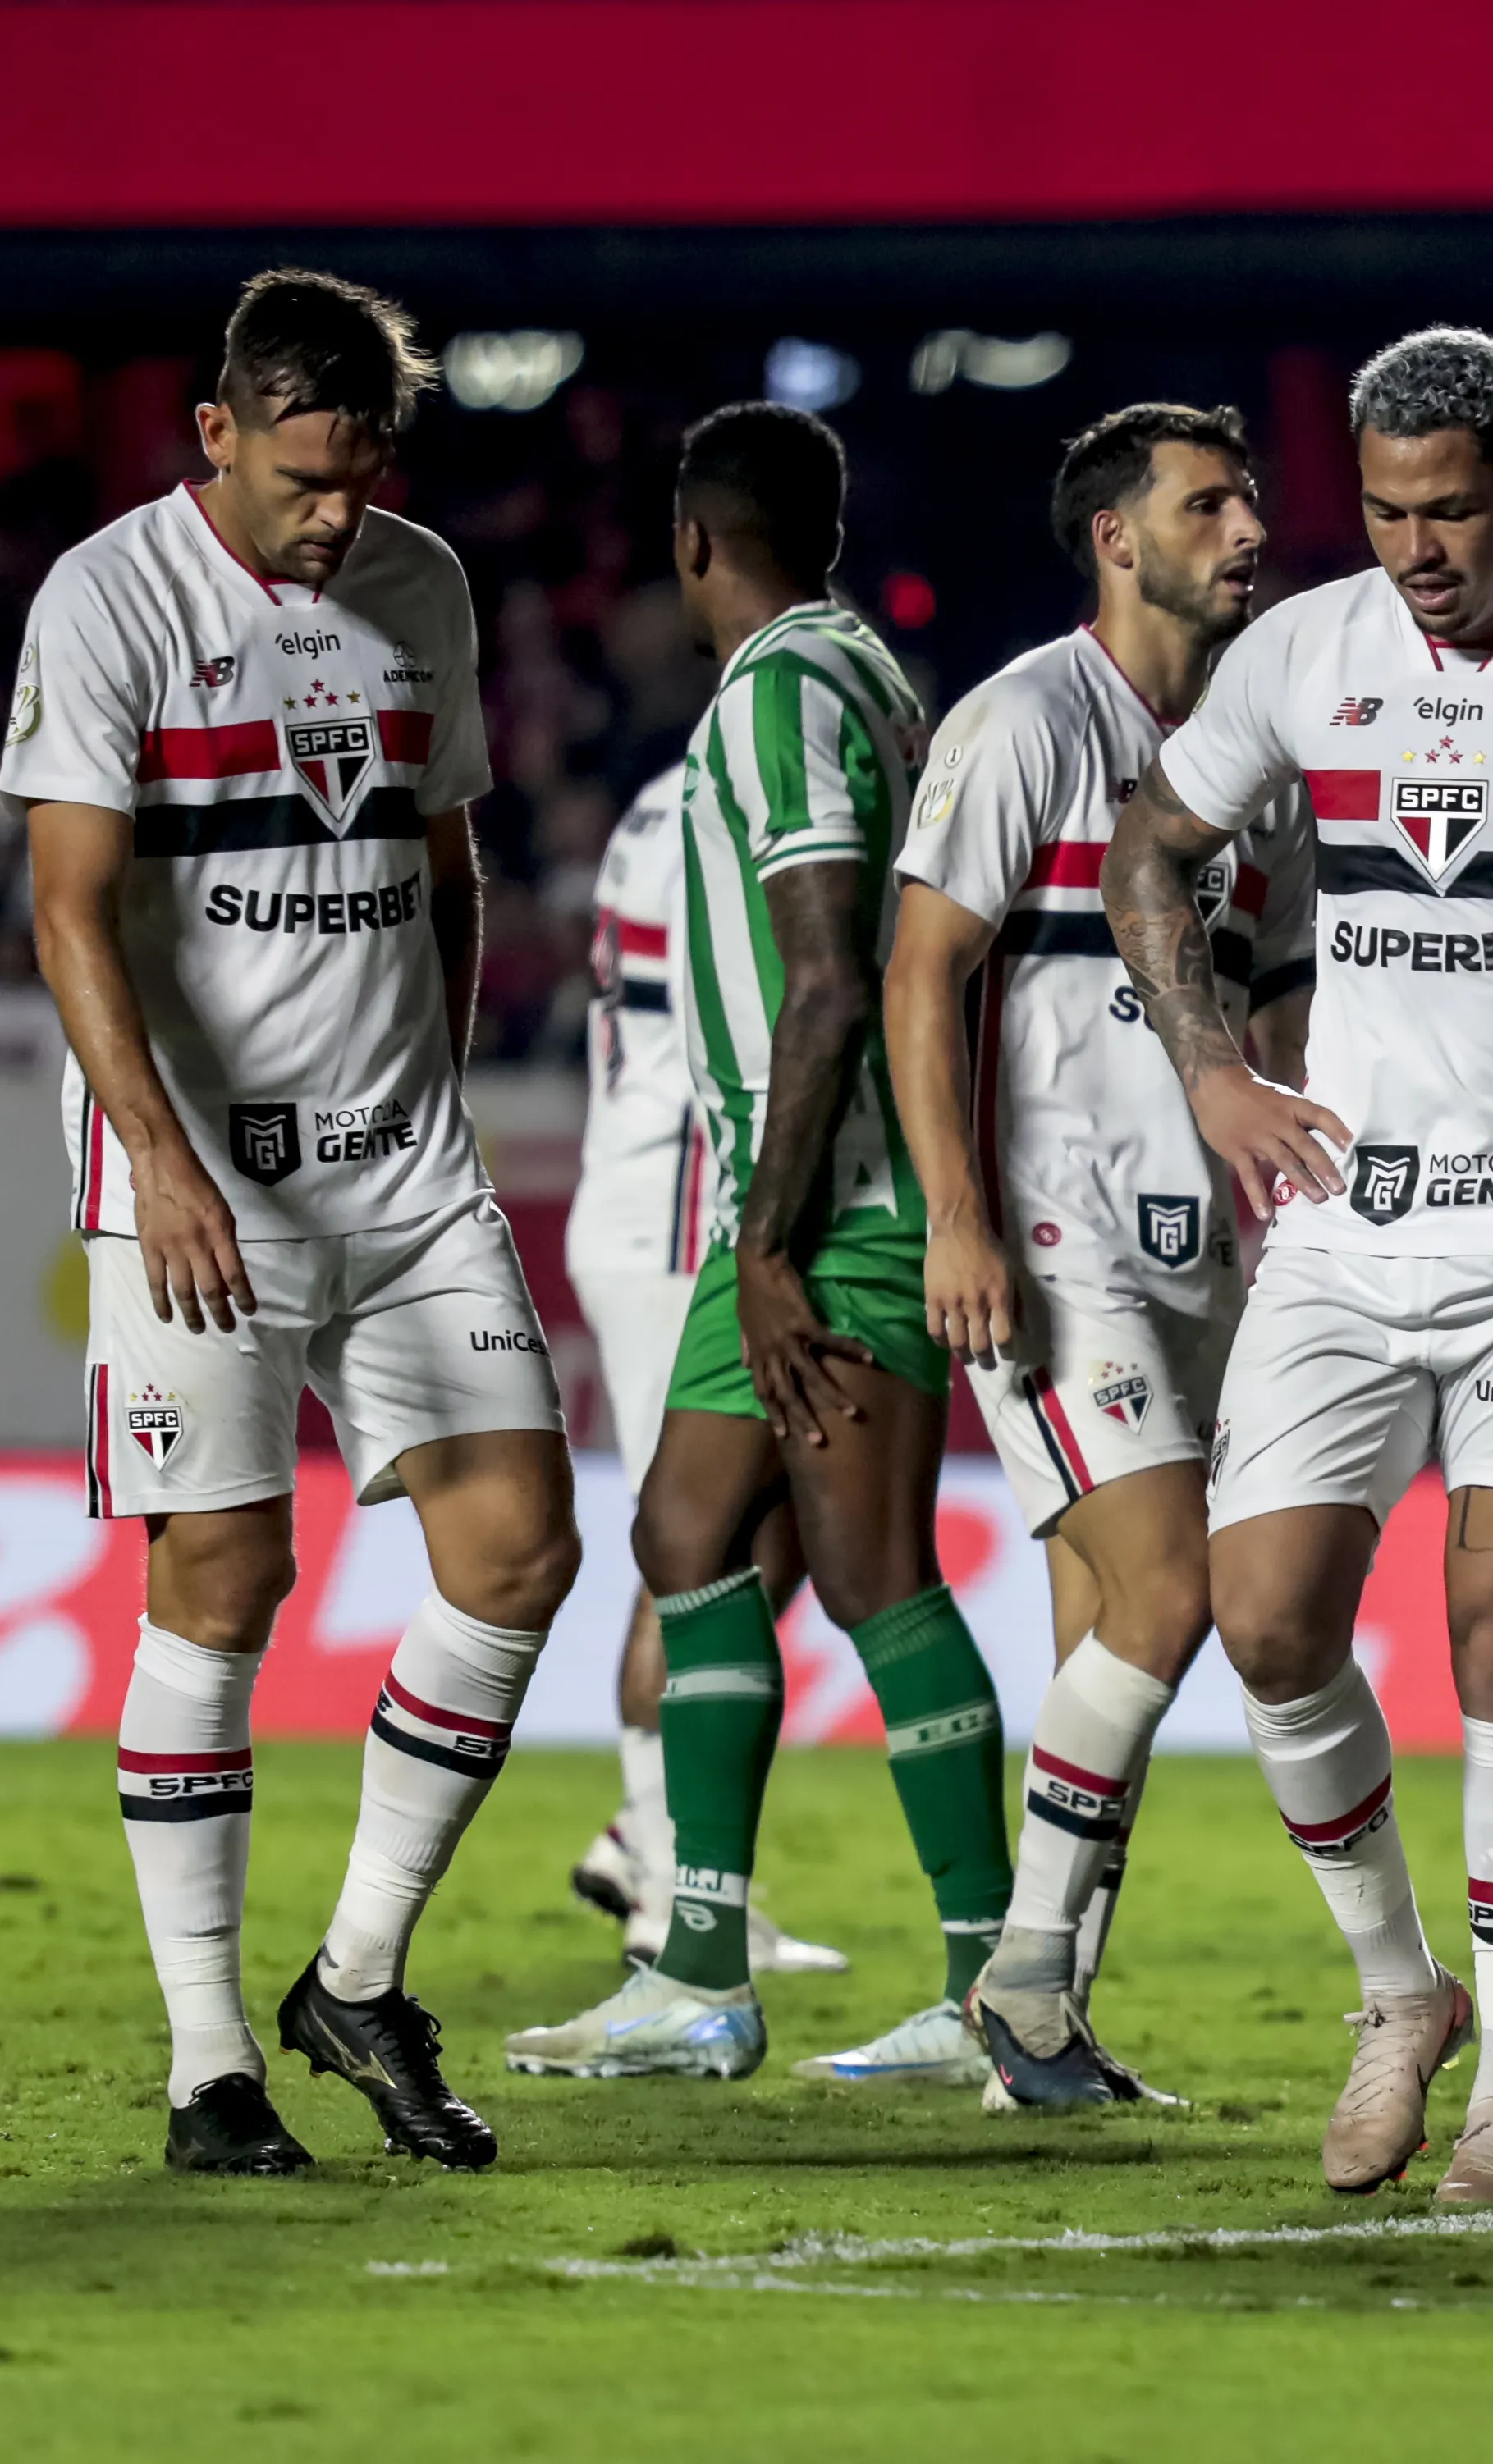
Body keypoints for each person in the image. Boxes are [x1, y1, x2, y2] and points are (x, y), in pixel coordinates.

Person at [1101, 328, 1493, 2203]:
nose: (1413, 550)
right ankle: (1403, 1994)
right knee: (1269, 1619)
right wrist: (1213, 1066)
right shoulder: (1301, 653)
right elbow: (1153, 845)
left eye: (1449, 509)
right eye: (1383, 512)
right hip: (1346, 1226)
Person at [8, 268, 580, 2176]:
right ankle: (205, 2067)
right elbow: (73, 908)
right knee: (225, 1586)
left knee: (518, 1548)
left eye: (362, 477)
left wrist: (445, 1070)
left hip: (402, 1163)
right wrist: (159, 1162)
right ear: (219, 437)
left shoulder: (421, 588)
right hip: (202, 1173)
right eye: (304, 479)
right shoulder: (110, 600)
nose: (335, 517)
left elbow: (443, 856)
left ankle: (353, 1977)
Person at [501, 404, 1014, 2088]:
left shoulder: (784, 693)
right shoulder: (870, 673)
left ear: (693, 543)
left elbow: (823, 979)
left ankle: (990, 1989)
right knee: (685, 1528)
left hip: (837, 1206)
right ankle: (699, 1971)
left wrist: (776, 1236)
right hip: (800, 1202)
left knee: (869, 1575)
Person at [880, 404, 1314, 2109]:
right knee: (1173, 1593)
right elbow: (923, 975)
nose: (1248, 528)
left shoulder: (1251, 755)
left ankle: (1037, 2041)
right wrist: (957, 1213)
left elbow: (1263, 994)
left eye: (1250, 500)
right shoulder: (1021, 720)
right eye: (1208, 504)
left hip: (1201, 1243)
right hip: (1057, 1238)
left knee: (1105, 1640)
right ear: (1115, 539)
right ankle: (1019, 1980)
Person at [552, 757, 845, 1981]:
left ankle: (650, 1836)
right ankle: (663, 1880)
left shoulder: (658, 795)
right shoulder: (743, 802)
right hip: (684, 1210)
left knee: (761, 1539)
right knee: (699, 1544)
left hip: (656, 1193)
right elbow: (798, 996)